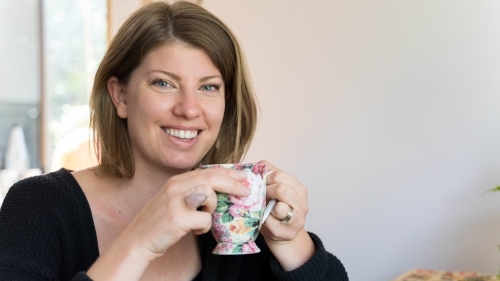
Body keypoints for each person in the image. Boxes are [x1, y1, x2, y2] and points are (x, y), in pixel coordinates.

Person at [0, 2, 348, 280]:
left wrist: (290, 243)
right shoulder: (38, 206)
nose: (189, 109)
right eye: (164, 83)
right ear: (120, 96)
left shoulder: (238, 219)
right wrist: (139, 242)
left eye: (208, 87)